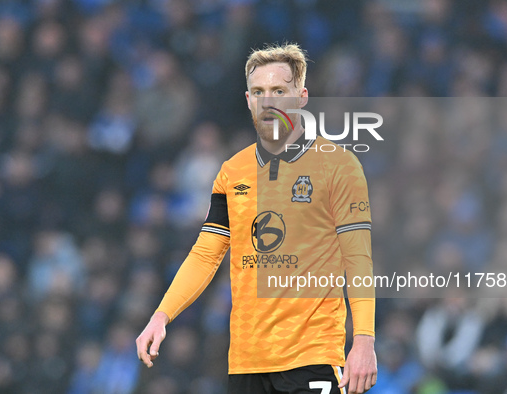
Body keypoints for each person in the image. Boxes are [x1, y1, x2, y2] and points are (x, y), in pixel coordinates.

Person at [136, 43, 377, 394]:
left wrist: (365, 341)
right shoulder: (233, 171)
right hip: (247, 362)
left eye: (279, 91)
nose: (268, 101)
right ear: (248, 100)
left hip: (312, 355)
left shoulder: (338, 166)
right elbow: (206, 253)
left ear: (302, 96)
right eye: (259, 92)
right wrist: (162, 314)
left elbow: (358, 258)